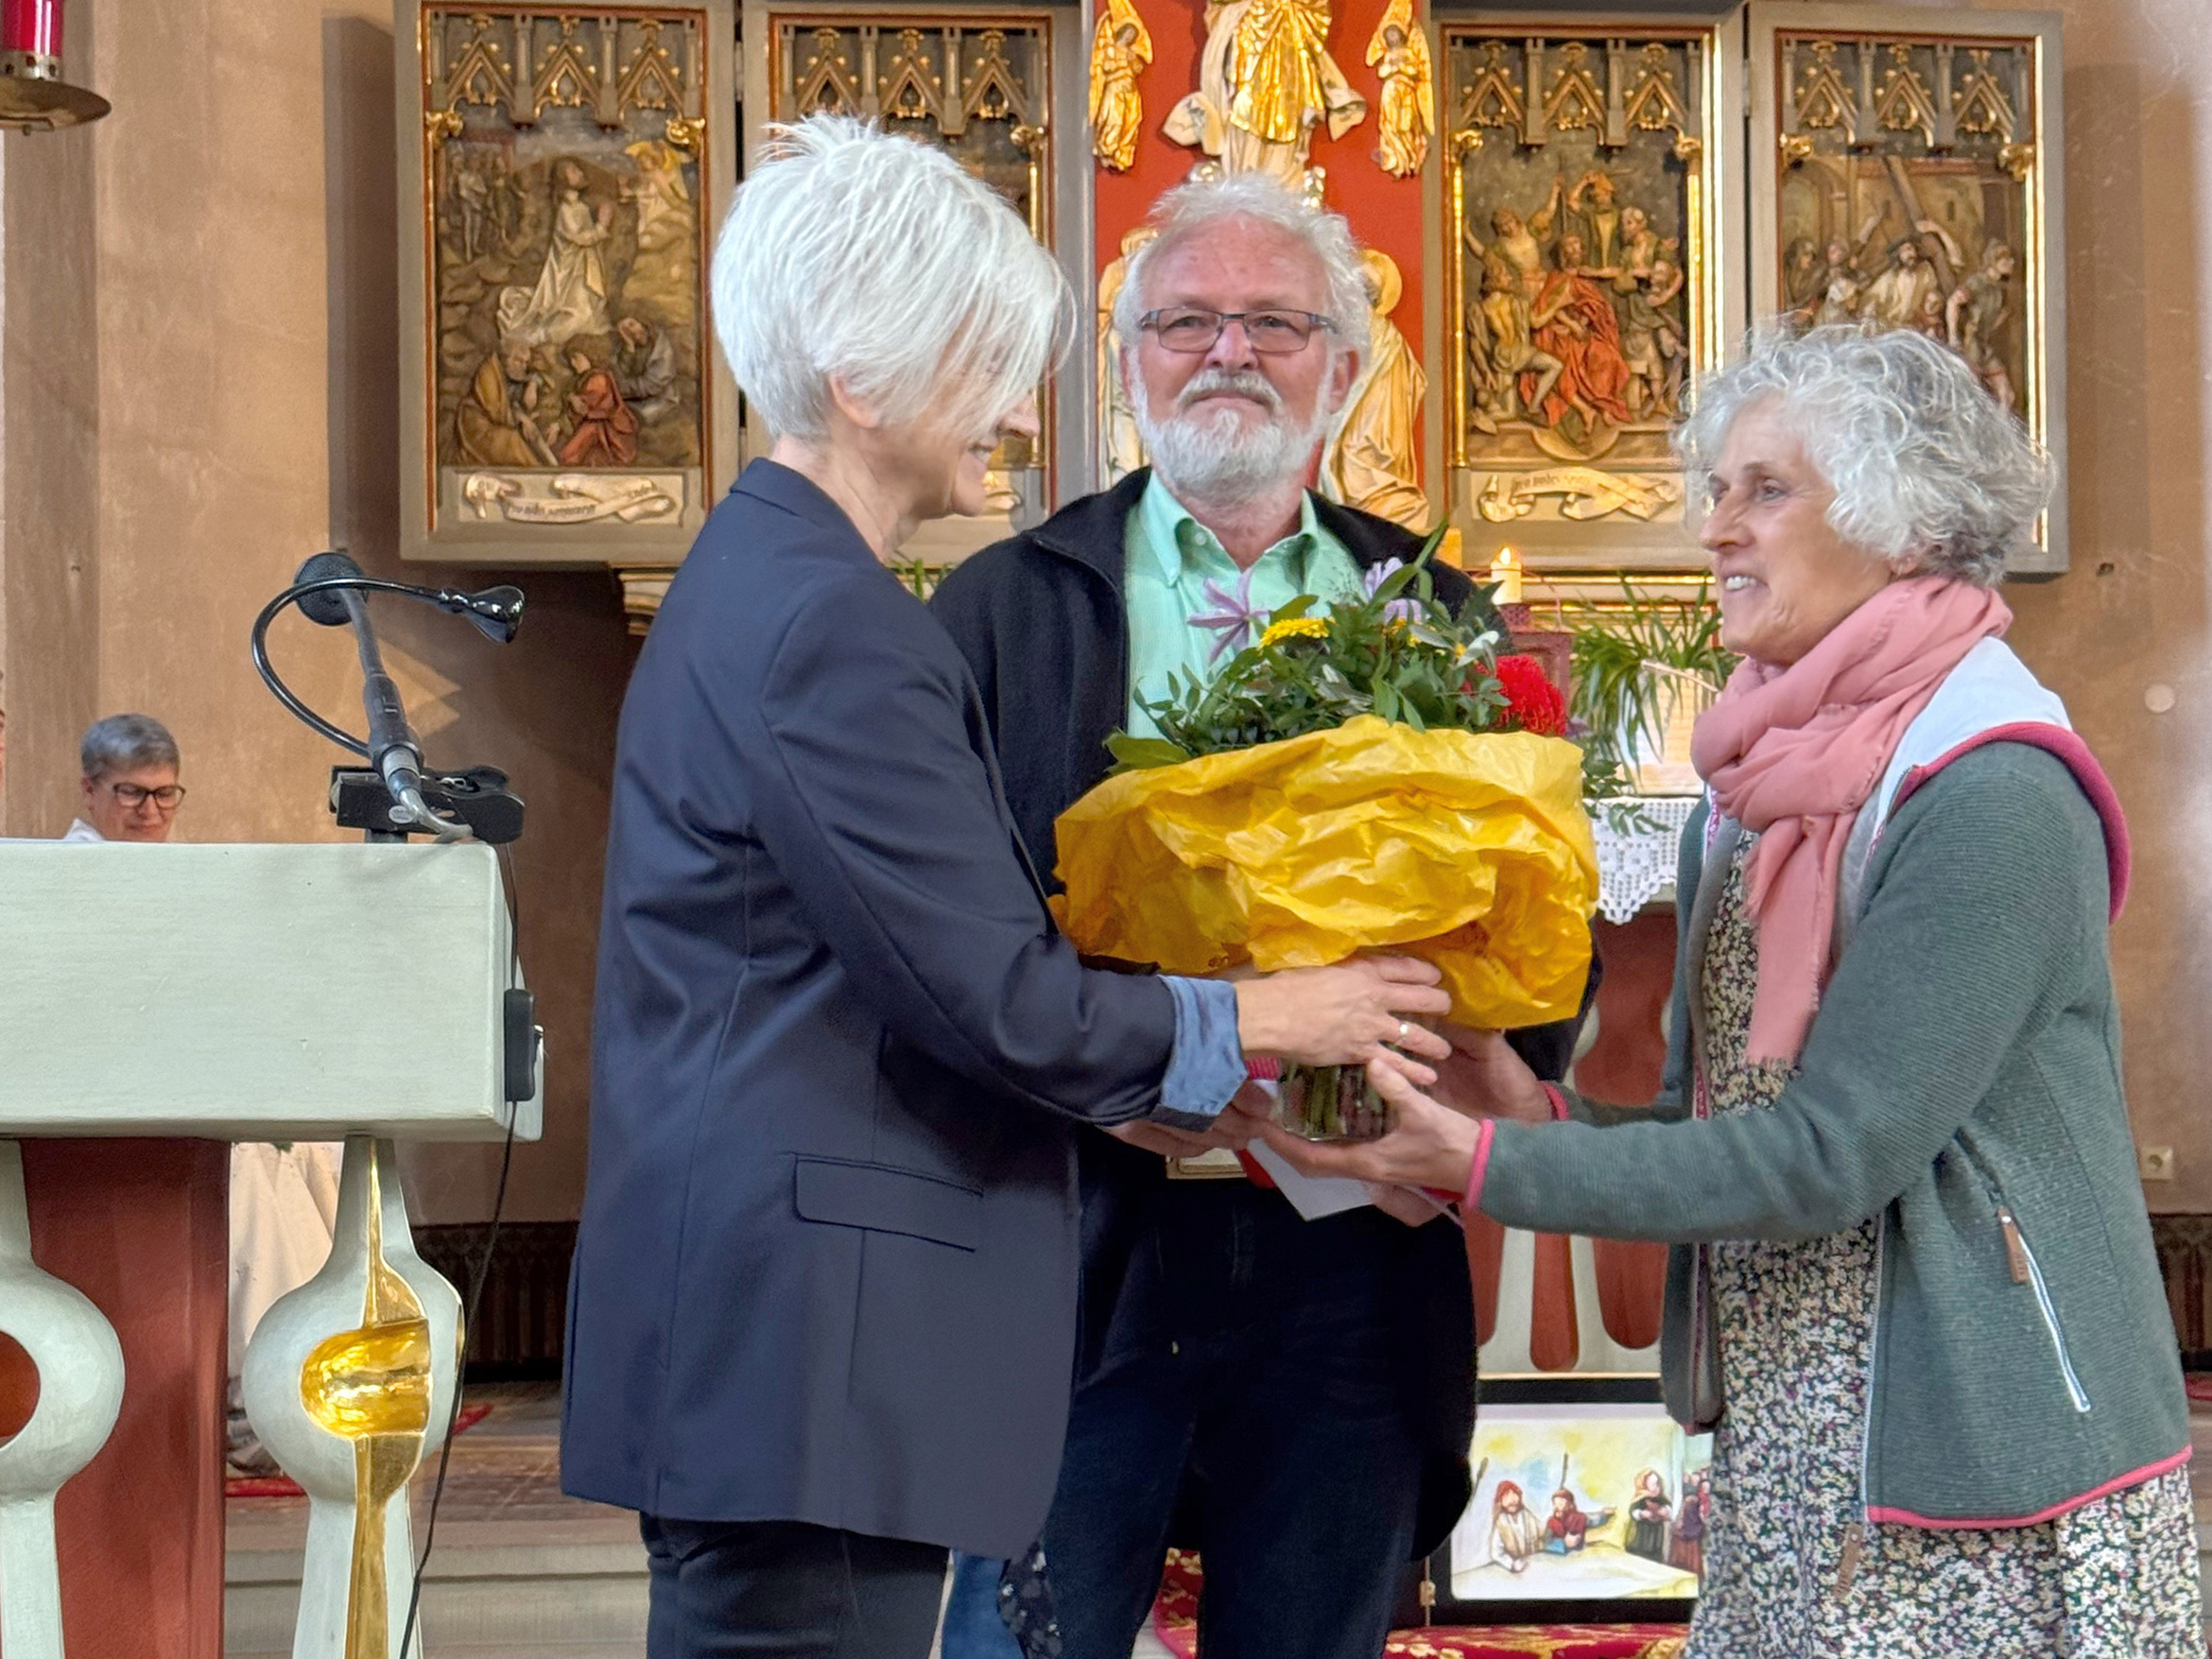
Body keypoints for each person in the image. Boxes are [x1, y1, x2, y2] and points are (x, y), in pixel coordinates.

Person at [560, 118, 1453, 1659]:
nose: (1015, 405)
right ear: (861, 379)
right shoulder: (841, 620)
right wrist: (1267, 1016)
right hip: (820, 1356)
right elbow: (987, 991)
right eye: (985, 356)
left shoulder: (767, 577)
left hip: (817, 1345)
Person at [1262, 325, 2206, 1657]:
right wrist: (1528, 1112)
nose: (1716, 529)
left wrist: (1483, 1166)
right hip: (1797, 1436)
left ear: (1904, 519)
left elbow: (1828, 1152)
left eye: (1766, 490)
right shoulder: (1760, 788)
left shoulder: (1992, 787)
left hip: (1983, 1463)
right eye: (1717, 488)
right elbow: (1737, 1117)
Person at [931, 174, 1589, 1659]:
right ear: (1128, 364)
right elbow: (941, 931)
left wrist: (1469, 1049)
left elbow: (1539, 926)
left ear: (1344, 369)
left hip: (1349, 1258)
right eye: (1185, 320)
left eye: (1275, 322)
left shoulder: (1442, 615)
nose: (1227, 350)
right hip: (1078, 1242)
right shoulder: (1003, 609)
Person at [66, 713, 185, 842]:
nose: (150, 811)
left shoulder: (178, 860)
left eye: (164, 794)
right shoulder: (70, 861)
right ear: (89, 791)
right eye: (132, 792)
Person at [557, 346, 639, 466]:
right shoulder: (583, 378)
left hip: (607, 428)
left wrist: (573, 399)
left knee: (567, 456)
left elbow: (583, 409)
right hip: (593, 423)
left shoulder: (598, 379)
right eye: (571, 360)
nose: (573, 363)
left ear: (590, 356)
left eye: (577, 358)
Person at [1488, 1480, 1544, 1573]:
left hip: (1533, 1564)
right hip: (1517, 1569)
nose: (1512, 1499)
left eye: (1514, 1494)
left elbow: (1543, 1533)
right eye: (1506, 1495)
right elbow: (1496, 1553)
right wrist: (1511, 1564)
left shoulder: (1527, 1516)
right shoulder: (1501, 1523)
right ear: (1500, 1501)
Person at [1627, 1470, 1671, 1563]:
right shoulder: (1640, 1500)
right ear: (1644, 1486)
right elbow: (1633, 1511)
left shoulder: (1661, 1500)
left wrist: (1666, 1511)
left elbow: (1668, 1508)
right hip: (1642, 1538)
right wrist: (1641, 1514)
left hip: (1657, 1539)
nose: (1655, 1487)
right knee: (1640, 1558)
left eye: (1657, 1484)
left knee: (1656, 1557)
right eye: (1652, 1484)